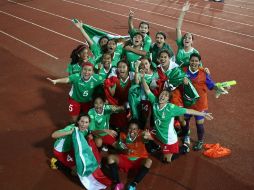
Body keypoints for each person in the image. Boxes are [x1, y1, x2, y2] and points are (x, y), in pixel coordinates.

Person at [141, 71, 213, 162]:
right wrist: (142, 77)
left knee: (166, 161)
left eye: (166, 96)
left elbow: (188, 110)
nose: (163, 96)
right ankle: (157, 146)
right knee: (144, 135)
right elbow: (147, 90)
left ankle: (184, 148)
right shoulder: (155, 102)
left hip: (169, 140)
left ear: (168, 100)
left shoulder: (171, 108)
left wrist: (203, 114)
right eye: (162, 94)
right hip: (158, 135)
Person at [181, 53, 228, 151]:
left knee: (199, 123)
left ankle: (200, 141)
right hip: (187, 103)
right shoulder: (183, 70)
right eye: (192, 60)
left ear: (199, 62)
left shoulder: (203, 73)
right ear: (189, 61)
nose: (194, 63)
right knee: (184, 121)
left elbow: (211, 85)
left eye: (196, 61)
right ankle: (186, 135)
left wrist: (219, 88)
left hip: (200, 104)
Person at [107, 119, 152, 190]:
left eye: (134, 129)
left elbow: (146, 138)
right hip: (126, 160)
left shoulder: (142, 134)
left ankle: (133, 184)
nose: (132, 131)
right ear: (127, 128)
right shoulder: (122, 135)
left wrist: (148, 137)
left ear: (138, 130)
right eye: (130, 128)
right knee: (110, 157)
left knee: (149, 161)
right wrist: (125, 150)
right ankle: (117, 183)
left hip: (139, 160)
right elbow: (120, 148)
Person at [104, 61, 134, 132]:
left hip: (130, 104)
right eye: (119, 67)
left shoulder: (131, 78)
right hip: (118, 105)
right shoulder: (115, 79)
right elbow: (112, 94)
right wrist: (107, 85)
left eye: (124, 67)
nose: (121, 69)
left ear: (128, 68)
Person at [175, 1, 200, 67]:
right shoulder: (180, 46)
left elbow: (199, 66)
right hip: (176, 72)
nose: (187, 38)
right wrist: (183, 12)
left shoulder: (195, 52)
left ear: (192, 41)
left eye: (189, 38)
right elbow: (178, 28)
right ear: (182, 40)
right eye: (185, 37)